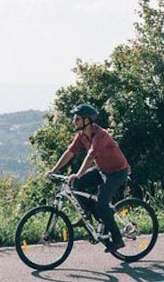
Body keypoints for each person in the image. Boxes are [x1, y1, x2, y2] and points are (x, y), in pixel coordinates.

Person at [46, 103, 131, 253]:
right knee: (76, 184)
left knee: (102, 204)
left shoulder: (101, 135)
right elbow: (69, 152)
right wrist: (53, 170)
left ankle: (117, 239)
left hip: (117, 172)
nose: (74, 121)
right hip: (102, 170)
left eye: (77, 119)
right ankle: (88, 216)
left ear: (87, 120)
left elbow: (91, 156)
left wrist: (78, 173)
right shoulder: (81, 135)